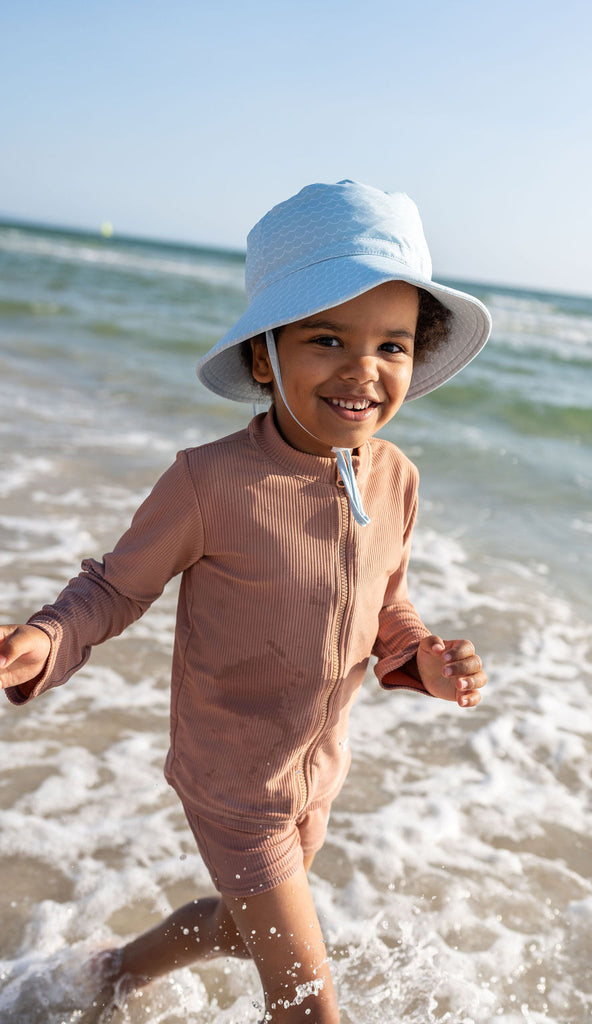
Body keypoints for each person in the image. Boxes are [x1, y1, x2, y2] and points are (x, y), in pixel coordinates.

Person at [0, 180, 491, 1023]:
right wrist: (48, 637)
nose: (362, 370)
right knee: (306, 1001)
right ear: (265, 356)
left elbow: (387, 605)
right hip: (234, 786)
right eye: (326, 338)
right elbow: (115, 587)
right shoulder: (209, 480)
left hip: (316, 774)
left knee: (241, 928)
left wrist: (424, 660)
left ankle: (111, 974)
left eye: (393, 345)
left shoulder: (396, 478)